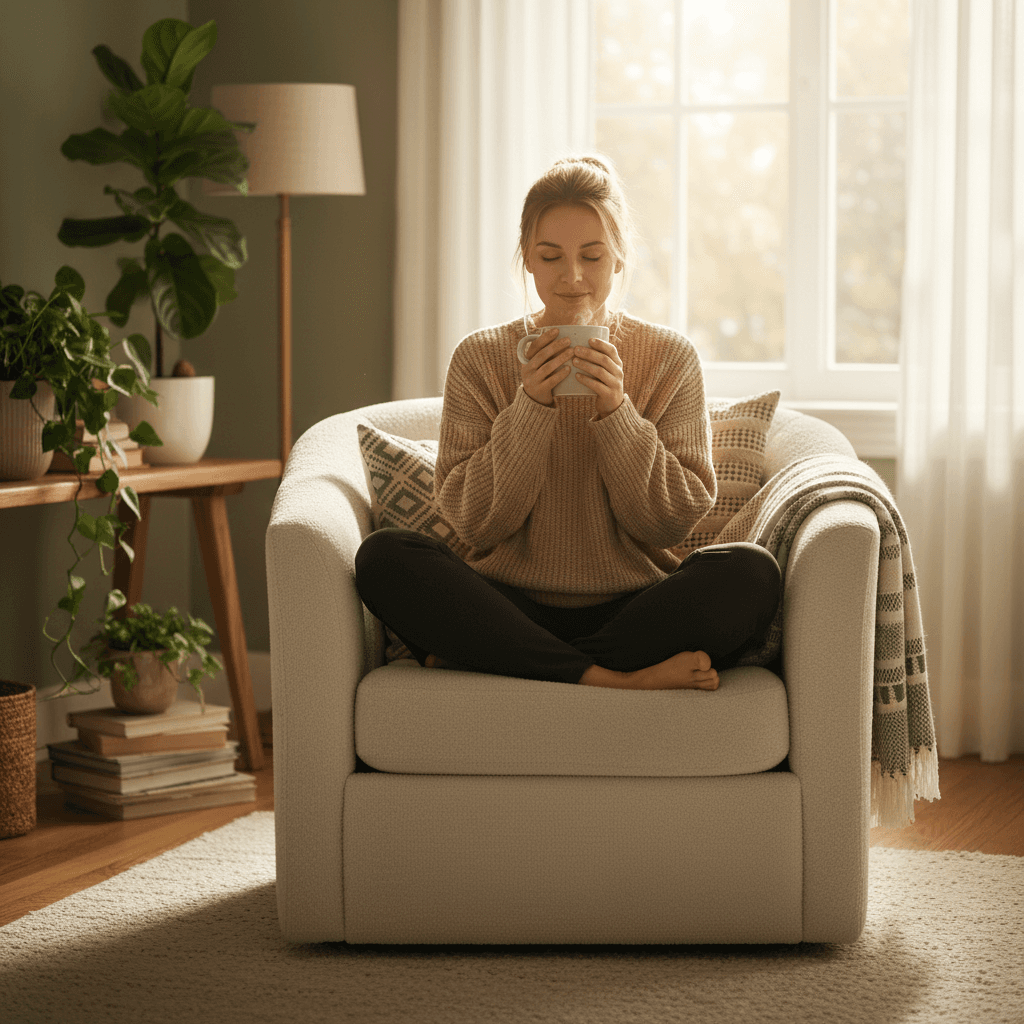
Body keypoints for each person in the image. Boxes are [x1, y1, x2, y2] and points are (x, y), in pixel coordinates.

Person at [355, 155, 780, 690]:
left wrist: (617, 414)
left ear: (619, 258)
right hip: (508, 603)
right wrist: (529, 408)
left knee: (751, 573)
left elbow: (670, 523)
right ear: (528, 261)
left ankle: (514, 663)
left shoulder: (669, 357)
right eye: (550, 256)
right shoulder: (479, 358)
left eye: (593, 256)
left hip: (633, 606)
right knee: (385, 557)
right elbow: (475, 524)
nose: (573, 276)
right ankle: (611, 678)